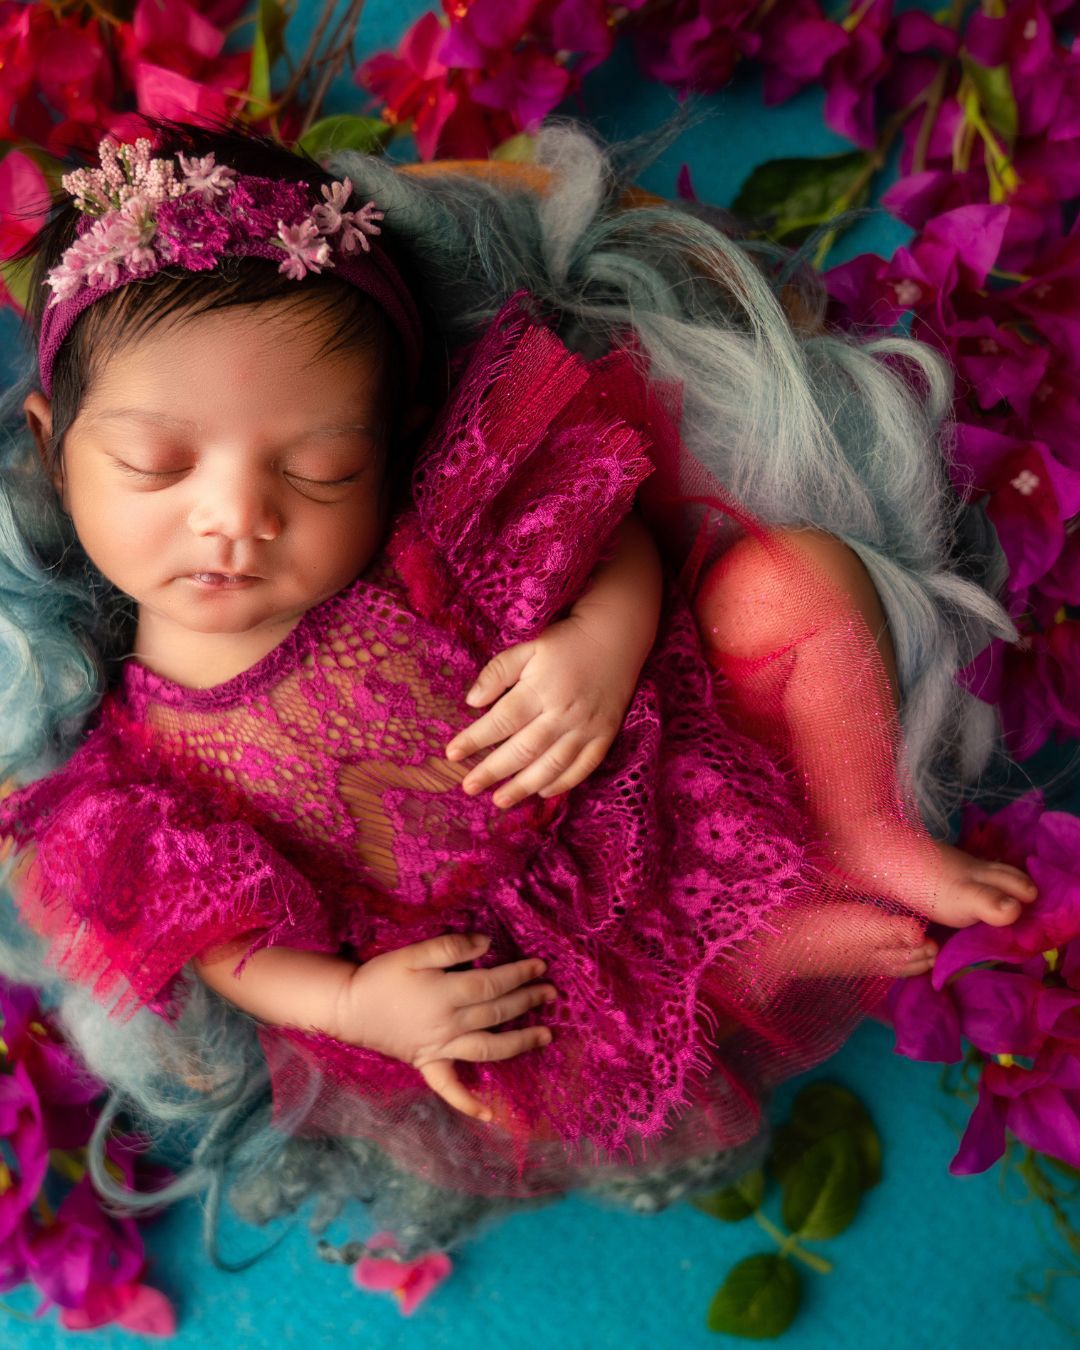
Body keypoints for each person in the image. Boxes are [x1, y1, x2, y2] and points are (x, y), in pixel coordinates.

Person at [0, 121, 1031, 1264]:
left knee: (801, 577)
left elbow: (602, 521)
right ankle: (770, 944)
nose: (238, 517)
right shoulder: (137, 763)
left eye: (319, 469)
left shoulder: (420, 542)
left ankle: (866, 829)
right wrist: (348, 1006)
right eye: (157, 465)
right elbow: (211, 938)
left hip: (667, 783)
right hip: (502, 958)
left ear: (386, 453)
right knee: (535, 1059)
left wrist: (601, 638)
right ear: (52, 448)